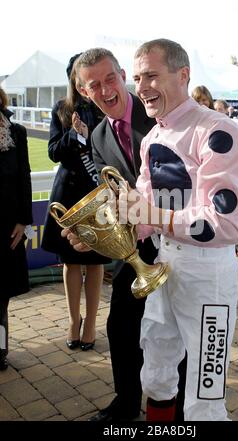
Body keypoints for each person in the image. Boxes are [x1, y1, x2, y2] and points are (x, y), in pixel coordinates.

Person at [118, 38, 238, 421]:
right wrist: (109, 226)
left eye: (152, 76)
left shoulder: (216, 131)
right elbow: (143, 211)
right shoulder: (155, 137)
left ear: (183, 75)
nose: (141, 87)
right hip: (164, 264)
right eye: (139, 77)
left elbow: (224, 224)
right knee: (156, 365)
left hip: (208, 272)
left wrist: (152, 216)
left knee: (204, 391)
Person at [72, 48, 160, 421]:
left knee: (178, 335)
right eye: (95, 85)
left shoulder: (158, 114)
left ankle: (181, 409)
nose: (106, 89)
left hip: (181, 243)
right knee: (120, 324)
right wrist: (90, 231)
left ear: (123, 74)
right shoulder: (97, 136)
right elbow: (112, 197)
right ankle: (126, 404)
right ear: (84, 91)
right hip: (140, 248)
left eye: (110, 78)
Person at [41, 54, 110, 351]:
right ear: (73, 79)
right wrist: (73, 135)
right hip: (68, 195)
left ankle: (92, 323)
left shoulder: (101, 109)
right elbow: (53, 152)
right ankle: (73, 320)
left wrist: (88, 136)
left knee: (94, 264)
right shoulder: (61, 109)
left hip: (94, 194)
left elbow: (108, 150)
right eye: (78, 77)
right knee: (70, 262)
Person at [0, 87, 33, 370]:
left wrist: (24, 221)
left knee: (0, 297)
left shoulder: (16, 132)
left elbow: (24, 177)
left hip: (7, 228)